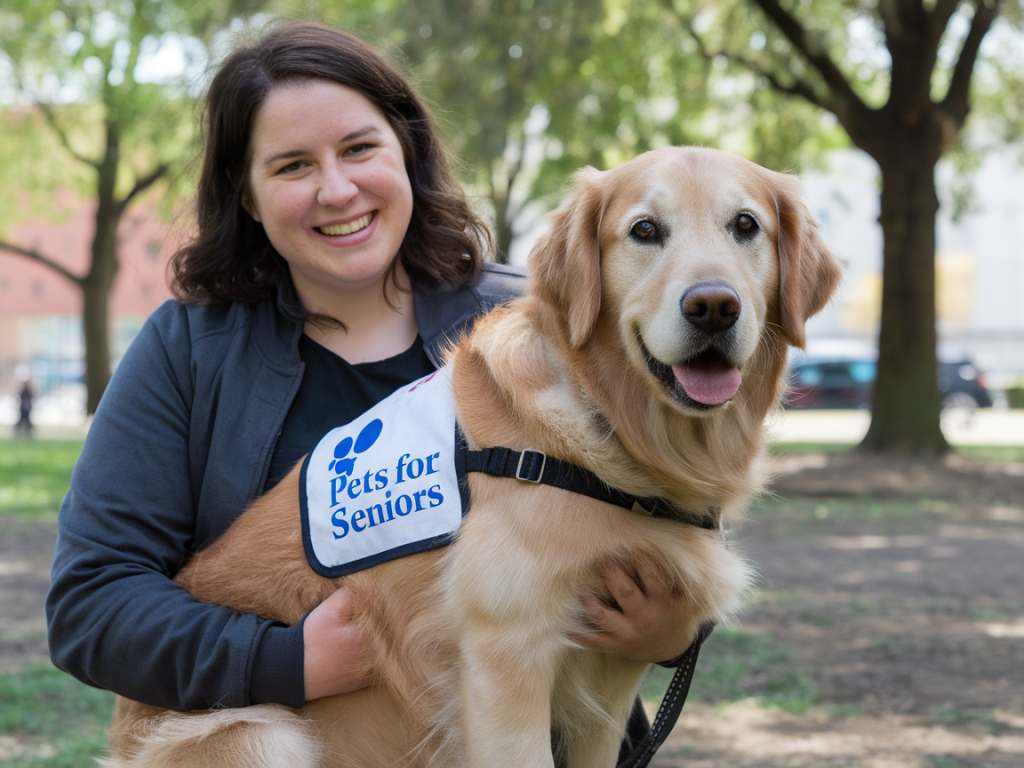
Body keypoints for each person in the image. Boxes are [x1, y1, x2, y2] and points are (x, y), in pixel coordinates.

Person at [46, 19, 694, 760]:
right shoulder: (187, 350)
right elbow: (92, 602)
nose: (337, 189)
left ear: (406, 150)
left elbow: (676, 503)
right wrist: (285, 660)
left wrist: (674, 629)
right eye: (292, 165)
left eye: (359, 148)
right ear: (246, 194)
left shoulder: (539, 323)